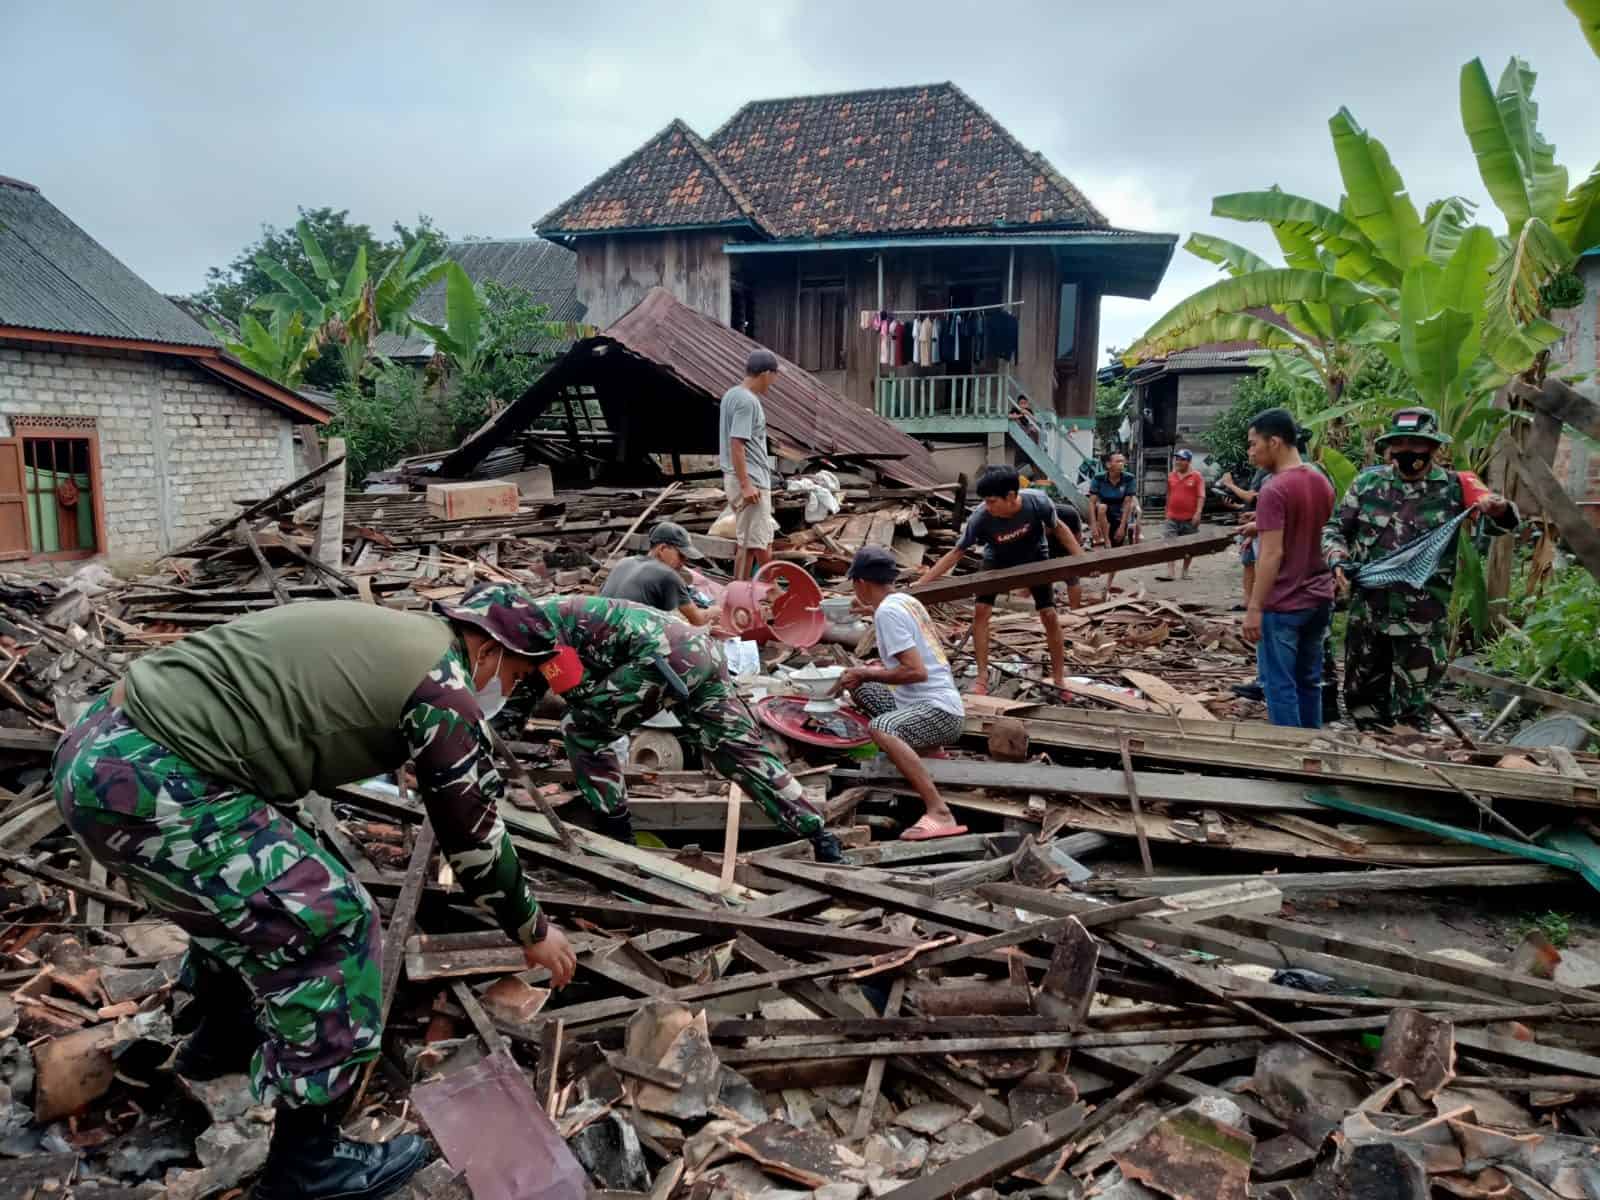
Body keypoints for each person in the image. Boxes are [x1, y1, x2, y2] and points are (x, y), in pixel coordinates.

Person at [51, 602, 580, 1200]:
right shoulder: (444, 687)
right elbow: (472, 833)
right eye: (515, 678)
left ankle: (220, 1041)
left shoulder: (401, 635)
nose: (509, 693)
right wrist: (532, 929)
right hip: (152, 778)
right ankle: (309, 1163)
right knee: (334, 925)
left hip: (96, 747)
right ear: (488, 651)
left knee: (254, 893)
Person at [438, 585, 845, 863]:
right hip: (699, 651)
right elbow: (524, 696)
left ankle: (617, 833)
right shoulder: (543, 618)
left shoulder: (535, 630)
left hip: (663, 660)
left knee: (582, 732)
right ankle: (820, 836)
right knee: (737, 751)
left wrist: (477, 751)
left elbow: (569, 696)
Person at [1324, 407, 1516, 731]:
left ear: (1433, 448)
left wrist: (1498, 509)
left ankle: (1409, 758)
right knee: (1363, 702)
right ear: (1387, 449)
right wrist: (1336, 557)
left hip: (1422, 620)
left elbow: (1499, 520)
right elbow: (1334, 529)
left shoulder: (1456, 487)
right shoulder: (1367, 483)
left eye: (1416, 443)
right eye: (1398, 444)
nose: (1406, 451)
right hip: (1370, 613)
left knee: (1414, 708)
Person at [836, 547, 967, 840]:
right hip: (934, 704)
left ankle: (939, 811)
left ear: (860, 583)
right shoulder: (905, 601)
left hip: (940, 714)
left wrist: (864, 670)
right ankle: (927, 751)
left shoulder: (888, 613)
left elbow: (916, 672)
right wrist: (866, 675)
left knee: (880, 727)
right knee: (864, 689)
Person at [919, 465, 1083, 695]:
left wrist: (1084, 560)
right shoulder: (981, 517)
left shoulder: (1038, 502)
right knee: (981, 611)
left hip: (1035, 555)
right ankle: (982, 677)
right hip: (996, 559)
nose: (988, 506)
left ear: (1012, 496)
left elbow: (1060, 529)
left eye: (992, 501)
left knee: (1049, 614)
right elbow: (956, 553)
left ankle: (1059, 679)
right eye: (985, 501)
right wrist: (922, 584)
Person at [1239, 409, 1335, 728]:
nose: (1251, 452)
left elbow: (1271, 554)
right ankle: (1312, 750)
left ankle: (1290, 760)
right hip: (1319, 599)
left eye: (1254, 444)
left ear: (1275, 442)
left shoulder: (1273, 489)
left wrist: (1254, 607)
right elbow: (1308, 526)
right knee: (1309, 681)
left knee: (1280, 685)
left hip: (1283, 604)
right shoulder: (1320, 480)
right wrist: (1259, 525)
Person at [720, 349, 781, 581]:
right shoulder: (747, 401)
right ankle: (777, 596)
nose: (773, 383)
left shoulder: (731, 395)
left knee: (747, 542)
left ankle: (740, 595)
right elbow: (737, 444)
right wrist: (746, 484)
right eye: (774, 377)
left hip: (740, 478)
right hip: (750, 480)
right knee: (759, 543)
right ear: (766, 373)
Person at [601, 521, 717, 626]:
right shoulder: (667, 575)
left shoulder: (623, 562)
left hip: (596, 637)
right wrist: (715, 611)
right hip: (622, 643)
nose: (683, 563)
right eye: (681, 556)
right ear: (662, 549)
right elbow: (697, 620)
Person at [1158, 449, 1206, 581]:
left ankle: (1185, 572)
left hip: (1190, 518)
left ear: (1189, 461)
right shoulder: (1171, 476)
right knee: (1169, 544)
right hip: (1172, 516)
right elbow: (1169, 494)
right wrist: (1166, 510)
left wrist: (1198, 513)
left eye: (1182, 459)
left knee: (1189, 546)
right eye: (1177, 459)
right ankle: (1170, 573)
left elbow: (1201, 496)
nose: (1178, 461)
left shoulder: (1197, 476)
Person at [1048, 501, 1087, 609]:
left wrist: (1081, 562)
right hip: (1044, 548)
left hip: (1067, 547)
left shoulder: (1069, 513)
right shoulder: (1033, 518)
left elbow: (1078, 539)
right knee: (1041, 580)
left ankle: (1075, 612)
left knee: (1072, 578)